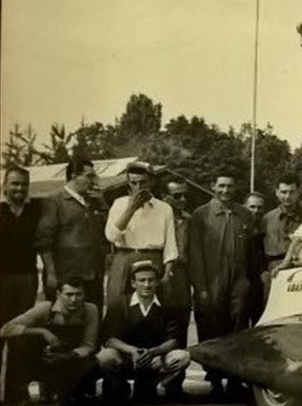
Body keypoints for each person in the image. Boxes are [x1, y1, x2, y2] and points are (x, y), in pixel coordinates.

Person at [188, 172, 253, 401]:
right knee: (211, 329)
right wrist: (201, 287)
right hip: (212, 280)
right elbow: (194, 254)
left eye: (230, 186)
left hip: (238, 281)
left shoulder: (245, 215)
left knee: (238, 329)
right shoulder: (201, 215)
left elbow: (252, 253)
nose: (226, 190)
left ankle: (235, 381)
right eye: (221, 185)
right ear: (213, 186)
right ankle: (214, 381)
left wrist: (248, 282)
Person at [0, 276, 101, 406]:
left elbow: (88, 345)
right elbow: (6, 329)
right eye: (69, 294)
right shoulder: (45, 308)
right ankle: (26, 395)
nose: (74, 300)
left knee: (88, 369)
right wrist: (42, 331)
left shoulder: (90, 310)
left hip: (70, 358)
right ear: (58, 294)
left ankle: (67, 393)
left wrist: (68, 355)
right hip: (44, 358)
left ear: (85, 295)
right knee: (24, 344)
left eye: (79, 294)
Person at [98, 260, 191, 405]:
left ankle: (159, 385)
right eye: (142, 280)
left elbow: (174, 339)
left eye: (151, 280)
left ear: (157, 282)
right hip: (128, 359)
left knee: (182, 356)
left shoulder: (169, 306)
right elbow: (109, 339)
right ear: (133, 283)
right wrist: (132, 351)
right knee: (105, 356)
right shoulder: (119, 305)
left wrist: (155, 352)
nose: (147, 285)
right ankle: (119, 385)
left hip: (156, 359)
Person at [104, 161, 178, 316]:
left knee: (154, 309)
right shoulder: (119, 204)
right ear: (128, 183)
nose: (138, 187)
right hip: (124, 258)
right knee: (117, 305)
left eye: (143, 182)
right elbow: (111, 236)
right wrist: (131, 208)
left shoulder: (164, 208)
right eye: (133, 183)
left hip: (153, 259)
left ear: (151, 181)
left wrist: (168, 273)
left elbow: (170, 246)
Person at [35, 156, 107, 313]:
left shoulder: (93, 202)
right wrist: (51, 274)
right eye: (89, 176)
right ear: (74, 175)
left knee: (93, 319)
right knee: (65, 323)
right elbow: (43, 241)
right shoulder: (54, 201)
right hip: (67, 278)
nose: (93, 181)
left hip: (93, 276)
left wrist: (102, 205)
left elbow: (106, 233)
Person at [1, 166, 41, 392]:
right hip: (1, 277)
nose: (19, 188)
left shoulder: (35, 208)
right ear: (4, 185)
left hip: (26, 276)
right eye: (14, 183)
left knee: (20, 333)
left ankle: (16, 392)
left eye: (24, 184)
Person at [161, 180, 193, 395]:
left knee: (180, 325)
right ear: (165, 196)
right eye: (176, 196)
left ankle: (175, 383)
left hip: (182, 278)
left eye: (184, 195)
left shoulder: (189, 220)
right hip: (160, 277)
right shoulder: (158, 217)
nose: (182, 200)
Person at [260, 176, 302, 279]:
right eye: (283, 192)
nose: (287, 196)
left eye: (292, 192)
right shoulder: (267, 219)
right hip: (273, 269)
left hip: (301, 268)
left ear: (298, 192)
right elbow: (258, 249)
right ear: (277, 192)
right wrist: (262, 271)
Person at [244, 191, 268, 326]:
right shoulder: (237, 228)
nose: (256, 211)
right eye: (252, 207)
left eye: (260, 207)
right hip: (241, 282)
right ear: (244, 207)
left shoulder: (265, 230)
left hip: (259, 284)